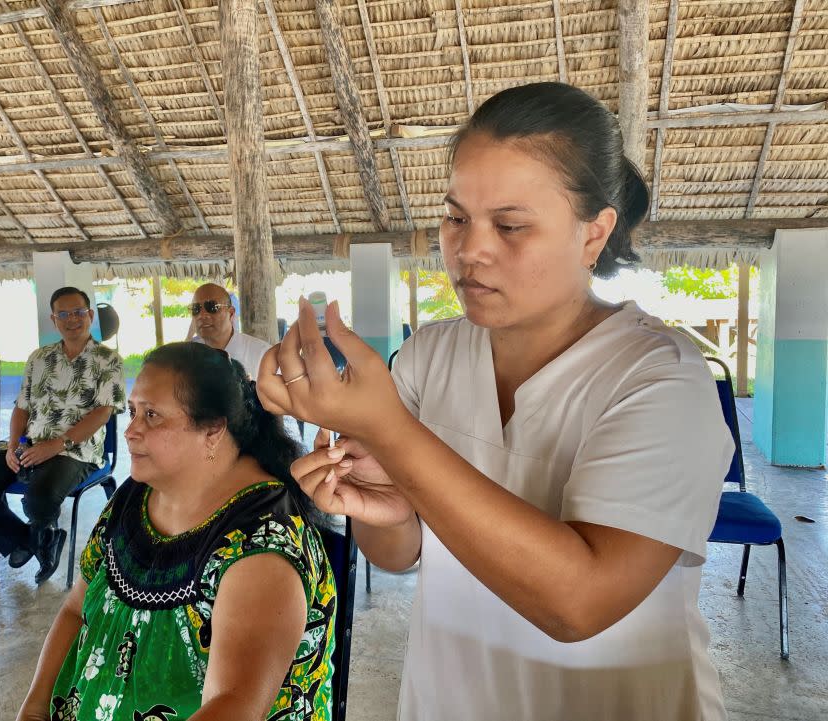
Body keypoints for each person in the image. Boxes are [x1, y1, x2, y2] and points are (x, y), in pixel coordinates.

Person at [258, 83, 735, 721]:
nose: (470, 249)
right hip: (448, 695)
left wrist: (389, 431)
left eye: (510, 225)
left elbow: (578, 604)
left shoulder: (659, 376)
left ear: (594, 235)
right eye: (456, 218)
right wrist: (378, 504)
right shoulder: (431, 356)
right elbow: (399, 554)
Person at [16, 343, 336, 721]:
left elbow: (234, 705)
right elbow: (74, 611)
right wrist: (34, 708)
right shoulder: (136, 495)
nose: (132, 431)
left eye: (152, 415)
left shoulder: (262, 546)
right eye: (133, 411)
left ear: (214, 431)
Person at [0, 287, 126, 585]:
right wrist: (14, 446)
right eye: (64, 314)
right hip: (28, 446)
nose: (72, 320)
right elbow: (21, 408)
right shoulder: (39, 358)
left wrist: (56, 445)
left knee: (38, 500)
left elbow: (102, 413)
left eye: (79, 312)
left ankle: (39, 536)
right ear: (53, 319)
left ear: (91, 316)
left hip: (76, 450)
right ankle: (28, 541)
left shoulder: (108, 360)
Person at [188, 283, 270, 380]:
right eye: (195, 309)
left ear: (231, 313)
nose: (202, 315)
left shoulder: (262, 355)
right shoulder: (189, 355)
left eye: (212, 307)